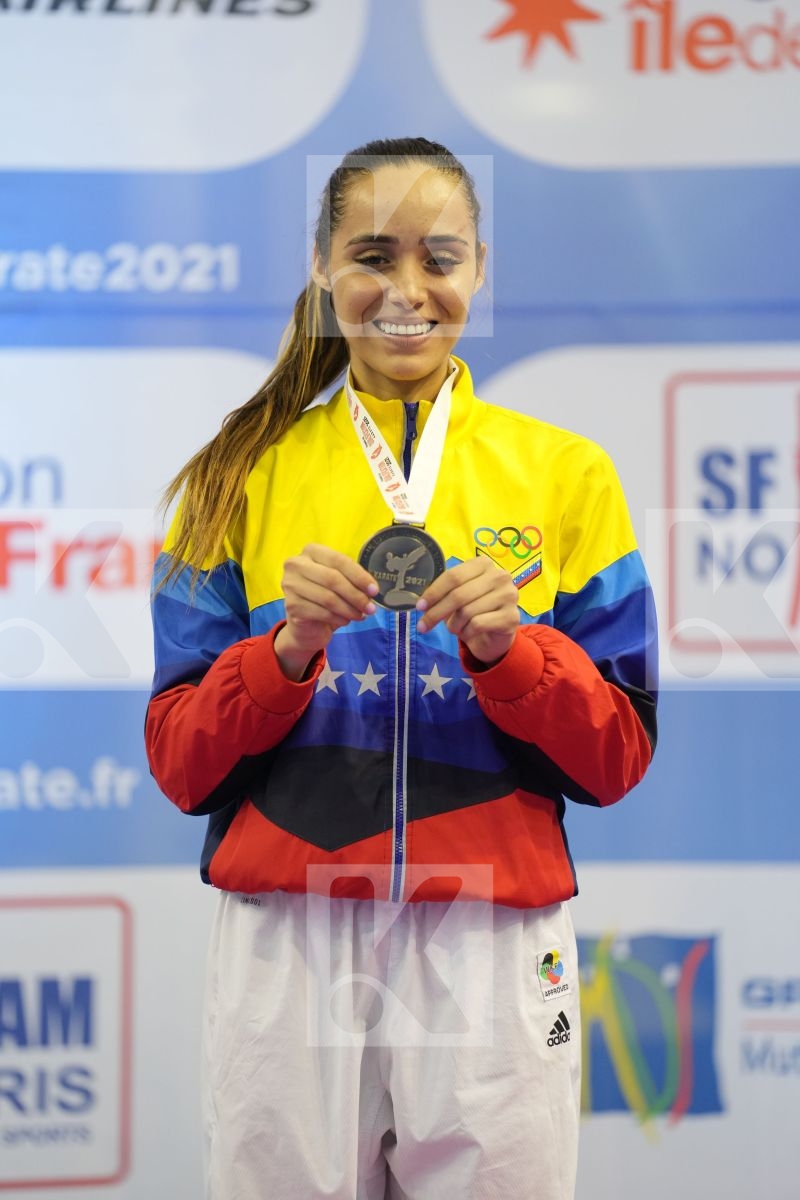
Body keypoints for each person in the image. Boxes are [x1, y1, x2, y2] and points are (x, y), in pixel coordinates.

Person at [146, 137, 657, 1200]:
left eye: (440, 258)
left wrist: (510, 654)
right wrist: (280, 655)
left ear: (480, 271)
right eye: (371, 256)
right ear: (324, 273)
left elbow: (616, 757)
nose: (406, 292)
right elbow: (181, 765)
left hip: (489, 921)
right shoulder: (237, 475)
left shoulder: (564, 472)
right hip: (291, 923)